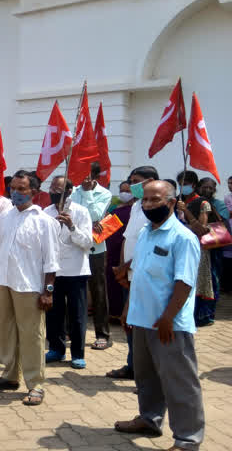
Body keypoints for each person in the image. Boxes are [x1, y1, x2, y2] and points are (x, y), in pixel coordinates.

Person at [114, 181, 204, 451]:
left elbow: (184, 282)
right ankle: (150, 419)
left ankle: (187, 439)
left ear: (172, 203)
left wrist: (168, 317)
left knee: (180, 383)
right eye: (146, 201)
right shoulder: (145, 232)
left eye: (156, 200)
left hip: (169, 323)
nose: (149, 205)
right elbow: (140, 271)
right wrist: (129, 306)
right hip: (142, 318)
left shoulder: (183, 238)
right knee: (146, 377)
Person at [0, 170, 59, 406]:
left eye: (21, 189)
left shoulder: (45, 221)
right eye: (13, 188)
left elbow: (52, 261)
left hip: (29, 286)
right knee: (6, 331)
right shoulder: (6, 216)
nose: (15, 193)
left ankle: (35, 384)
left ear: (34, 192)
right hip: (3, 280)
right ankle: (9, 375)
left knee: (31, 334)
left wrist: (48, 291)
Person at [108, 165, 160, 380]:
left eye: (136, 180)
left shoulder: (157, 210)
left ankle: (150, 373)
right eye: (131, 180)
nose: (131, 185)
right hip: (130, 275)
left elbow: (151, 246)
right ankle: (133, 365)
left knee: (147, 326)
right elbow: (128, 239)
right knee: (130, 322)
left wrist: (129, 265)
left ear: (151, 181)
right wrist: (122, 267)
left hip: (147, 276)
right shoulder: (136, 206)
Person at [44, 176, 94, 369]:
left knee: (77, 314)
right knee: (53, 313)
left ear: (70, 191)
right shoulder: (46, 212)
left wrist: (72, 227)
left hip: (76, 271)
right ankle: (56, 349)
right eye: (52, 188)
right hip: (53, 271)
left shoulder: (81, 212)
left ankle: (78, 353)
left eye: (58, 189)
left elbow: (88, 242)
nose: (54, 192)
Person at [69, 162, 113, 351]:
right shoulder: (73, 191)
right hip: (75, 246)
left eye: (86, 175)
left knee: (98, 291)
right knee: (72, 290)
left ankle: (102, 334)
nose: (83, 179)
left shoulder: (104, 193)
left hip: (96, 248)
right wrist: (88, 221)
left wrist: (87, 193)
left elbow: (94, 213)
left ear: (94, 177)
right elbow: (71, 213)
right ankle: (70, 331)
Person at [178, 177, 224, 327]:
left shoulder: (202, 203)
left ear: (194, 186)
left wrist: (186, 211)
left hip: (202, 249)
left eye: (211, 188)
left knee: (204, 281)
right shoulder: (179, 202)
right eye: (182, 184)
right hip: (183, 247)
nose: (208, 190)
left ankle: (204, 315)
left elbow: (202, 229)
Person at [105, 181, 135, 318]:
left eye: (128, 191)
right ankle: (115, 313)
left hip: (129, 254)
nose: (124, 194)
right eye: (122, 190)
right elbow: (103, 232)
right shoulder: (116, 211)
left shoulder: (137, 211)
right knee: (112, 284)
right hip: (112, 253)